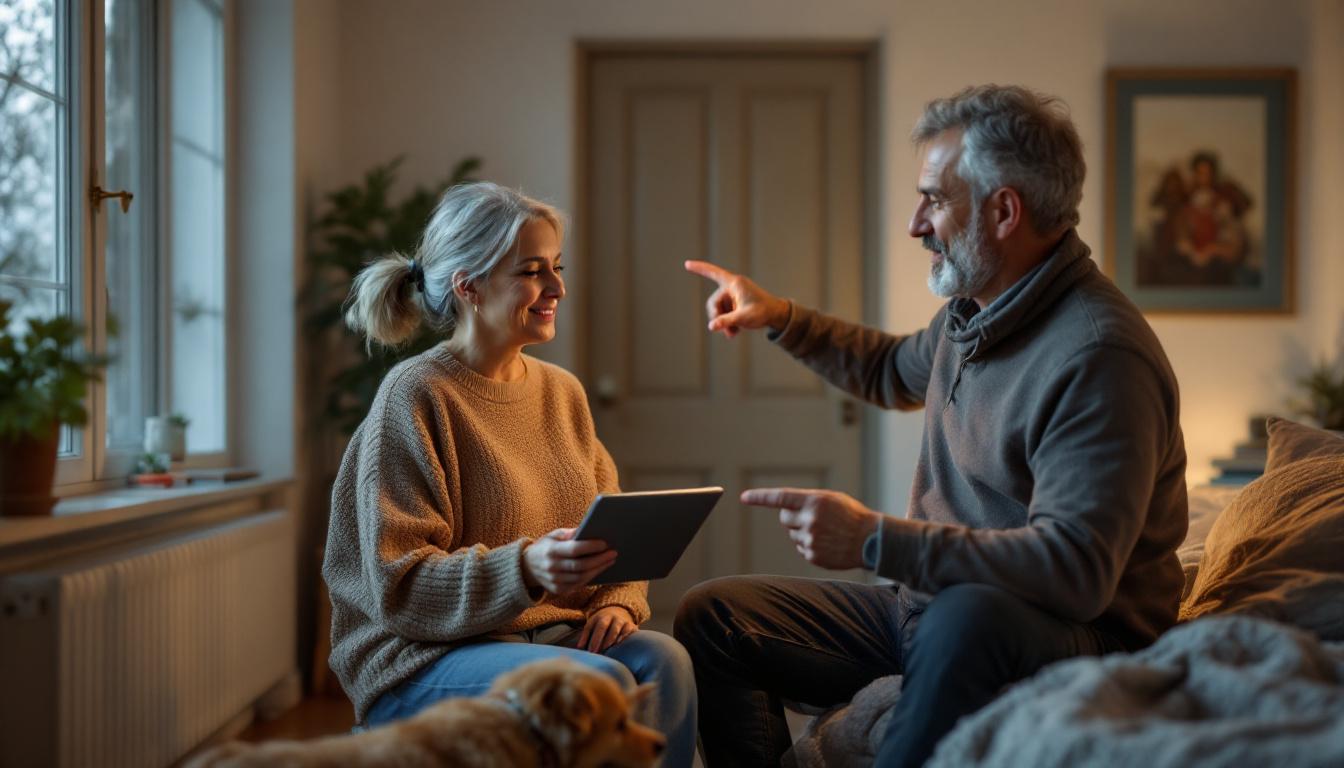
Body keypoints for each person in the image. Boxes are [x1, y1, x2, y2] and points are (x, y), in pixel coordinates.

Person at [675, 85, 1188, 767]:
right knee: (714, 616)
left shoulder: (1098, 355)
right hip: (930, 610)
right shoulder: (974, 311)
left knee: (967, 615)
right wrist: (780, 317)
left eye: (936, 201)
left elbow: (1076, 569)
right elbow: (890, 369)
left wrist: (875, 539)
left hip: (1069, 633)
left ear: (1004, 211)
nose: (915, 223)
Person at [323, 181, 696, 767]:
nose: (557, 288)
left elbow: (612, 528)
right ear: (468, 286)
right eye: (531, 272)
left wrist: (619, 601)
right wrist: (524, 568)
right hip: (420, 656)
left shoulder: (562, 392)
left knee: (664, 661)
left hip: (549, 635)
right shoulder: (415, 394)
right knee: (596, 684)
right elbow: (399, 588)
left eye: (557, 268)